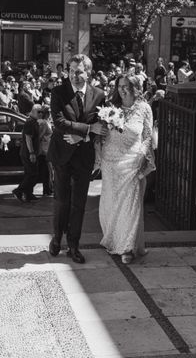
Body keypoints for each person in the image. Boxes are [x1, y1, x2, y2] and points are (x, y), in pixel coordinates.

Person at [47, 54, 107, 264]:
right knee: (62, 201)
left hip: (84, 156)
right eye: (71, 71)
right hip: (62, 155)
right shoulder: (58, 92)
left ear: (88, 72)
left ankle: (74, 245)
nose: (74, 75)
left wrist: (82, 136)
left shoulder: (99, 95)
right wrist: (87, 130)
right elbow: (59, 122)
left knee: (79, 204)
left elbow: (103, 125)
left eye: (79, 71)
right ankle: (56, 238)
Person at [98, 74, 155, 264]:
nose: (122, 89)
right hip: (110, 160)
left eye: (126, 86)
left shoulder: (144, 108)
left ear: (136, 88)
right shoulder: (111, 107)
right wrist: (103, 129)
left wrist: (141, 155)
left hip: (132, 160)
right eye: (120, 86)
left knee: (130, 205)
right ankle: (113, 239)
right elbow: (102, 132)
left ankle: (127, 247)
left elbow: (147, 136)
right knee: (112, 202)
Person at [12, 104, 43, 203]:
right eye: (39, 112)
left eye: (41, 112)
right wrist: (32, 153)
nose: (41, 114)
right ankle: (18, 191)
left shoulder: (34, 122)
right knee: (32, 174)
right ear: (33, 112)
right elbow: (28, 138)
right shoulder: (30, 122)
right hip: (28, 153)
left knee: (30, 174)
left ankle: (28, 194)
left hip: (30, 152)